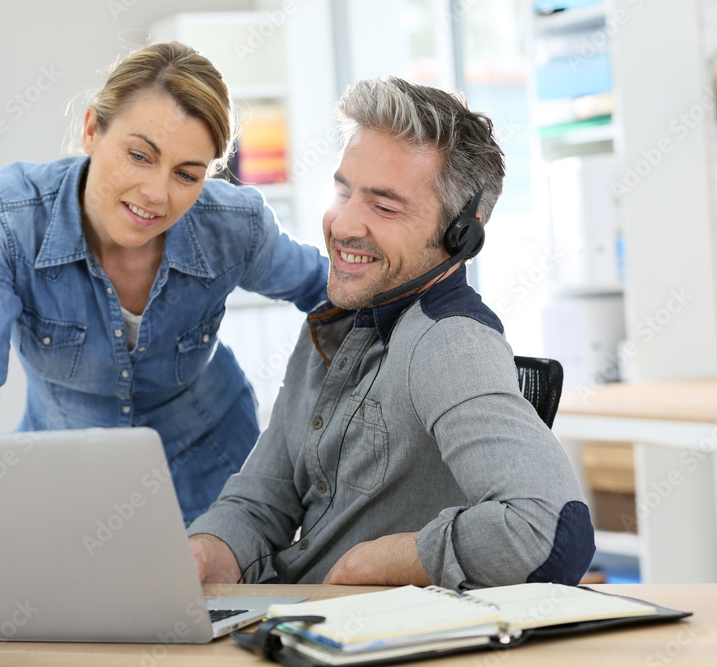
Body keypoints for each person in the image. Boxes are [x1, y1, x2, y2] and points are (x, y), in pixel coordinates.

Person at [187, 76, 595, 590]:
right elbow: (262, 500)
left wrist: (380, 561)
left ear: (459, 236)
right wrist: (206, 552)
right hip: (287, 619)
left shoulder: (449, 342)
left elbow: (551, 533)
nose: (343, 224)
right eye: (342, 191)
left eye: (383, 206)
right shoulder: (334, 321)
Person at [0, 41, 329, 522]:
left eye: (186, 174)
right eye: (139, 155)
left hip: (214, 469)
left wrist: (319, 425)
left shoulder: (233, 227)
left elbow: (337, 295)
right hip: (66, 477)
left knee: (225, 599)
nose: (156, 194)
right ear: (92, 130)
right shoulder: (7, 220)